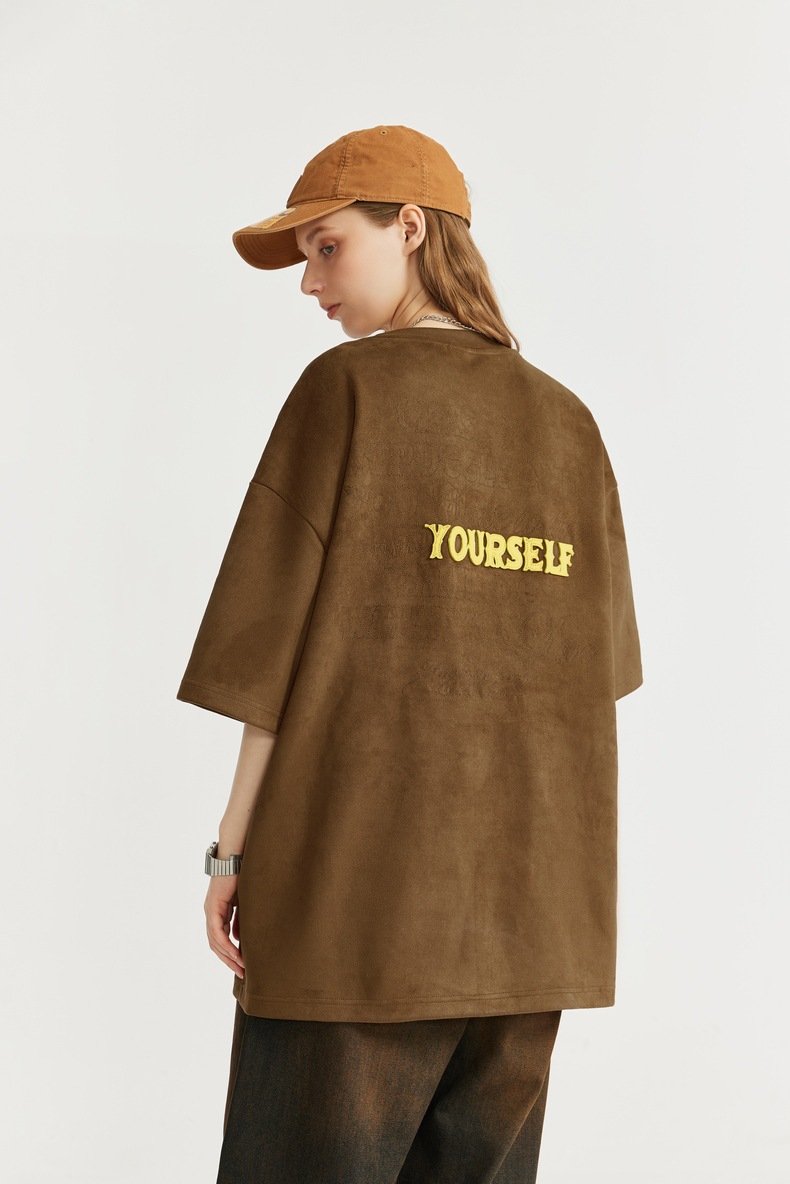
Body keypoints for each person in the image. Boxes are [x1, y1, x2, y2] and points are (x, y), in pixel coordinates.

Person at [175, 124, 644, 1184]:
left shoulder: (344, 391)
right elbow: (599, 676)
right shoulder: (570, 425)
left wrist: (229, 856)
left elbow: (267, 661)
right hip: (534, 924)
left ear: (414, 229)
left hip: (353, 914)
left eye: (327, 247)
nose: (310, 283)